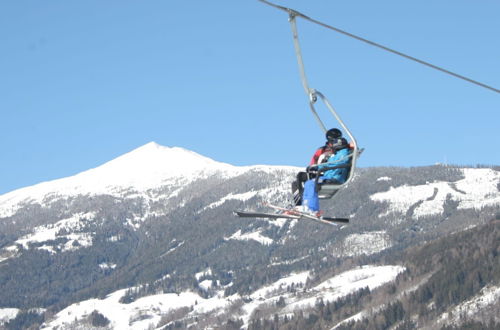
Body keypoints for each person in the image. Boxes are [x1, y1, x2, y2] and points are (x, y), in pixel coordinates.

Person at [300, 137, 351, 215]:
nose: (332, 148)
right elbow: (330, 164)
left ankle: (313, 209)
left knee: (311, 183)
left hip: (334, 178)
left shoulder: (343, 153)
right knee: (308, 183)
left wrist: (319, 167)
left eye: (334, 146)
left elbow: (339, 163)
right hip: (329, 176)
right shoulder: (338, 154)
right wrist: (317, 167)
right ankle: (306, 206)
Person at [292, 128, 342, 206]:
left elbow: (347, 149)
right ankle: (299, 203)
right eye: (334, 140)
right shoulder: (322, 150)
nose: (336, 142)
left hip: (326, 173)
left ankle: (301, 204)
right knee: (296, 182)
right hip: (319, 172)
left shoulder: (339, 150)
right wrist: (313, 167)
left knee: (301, 176)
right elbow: (313, 161)